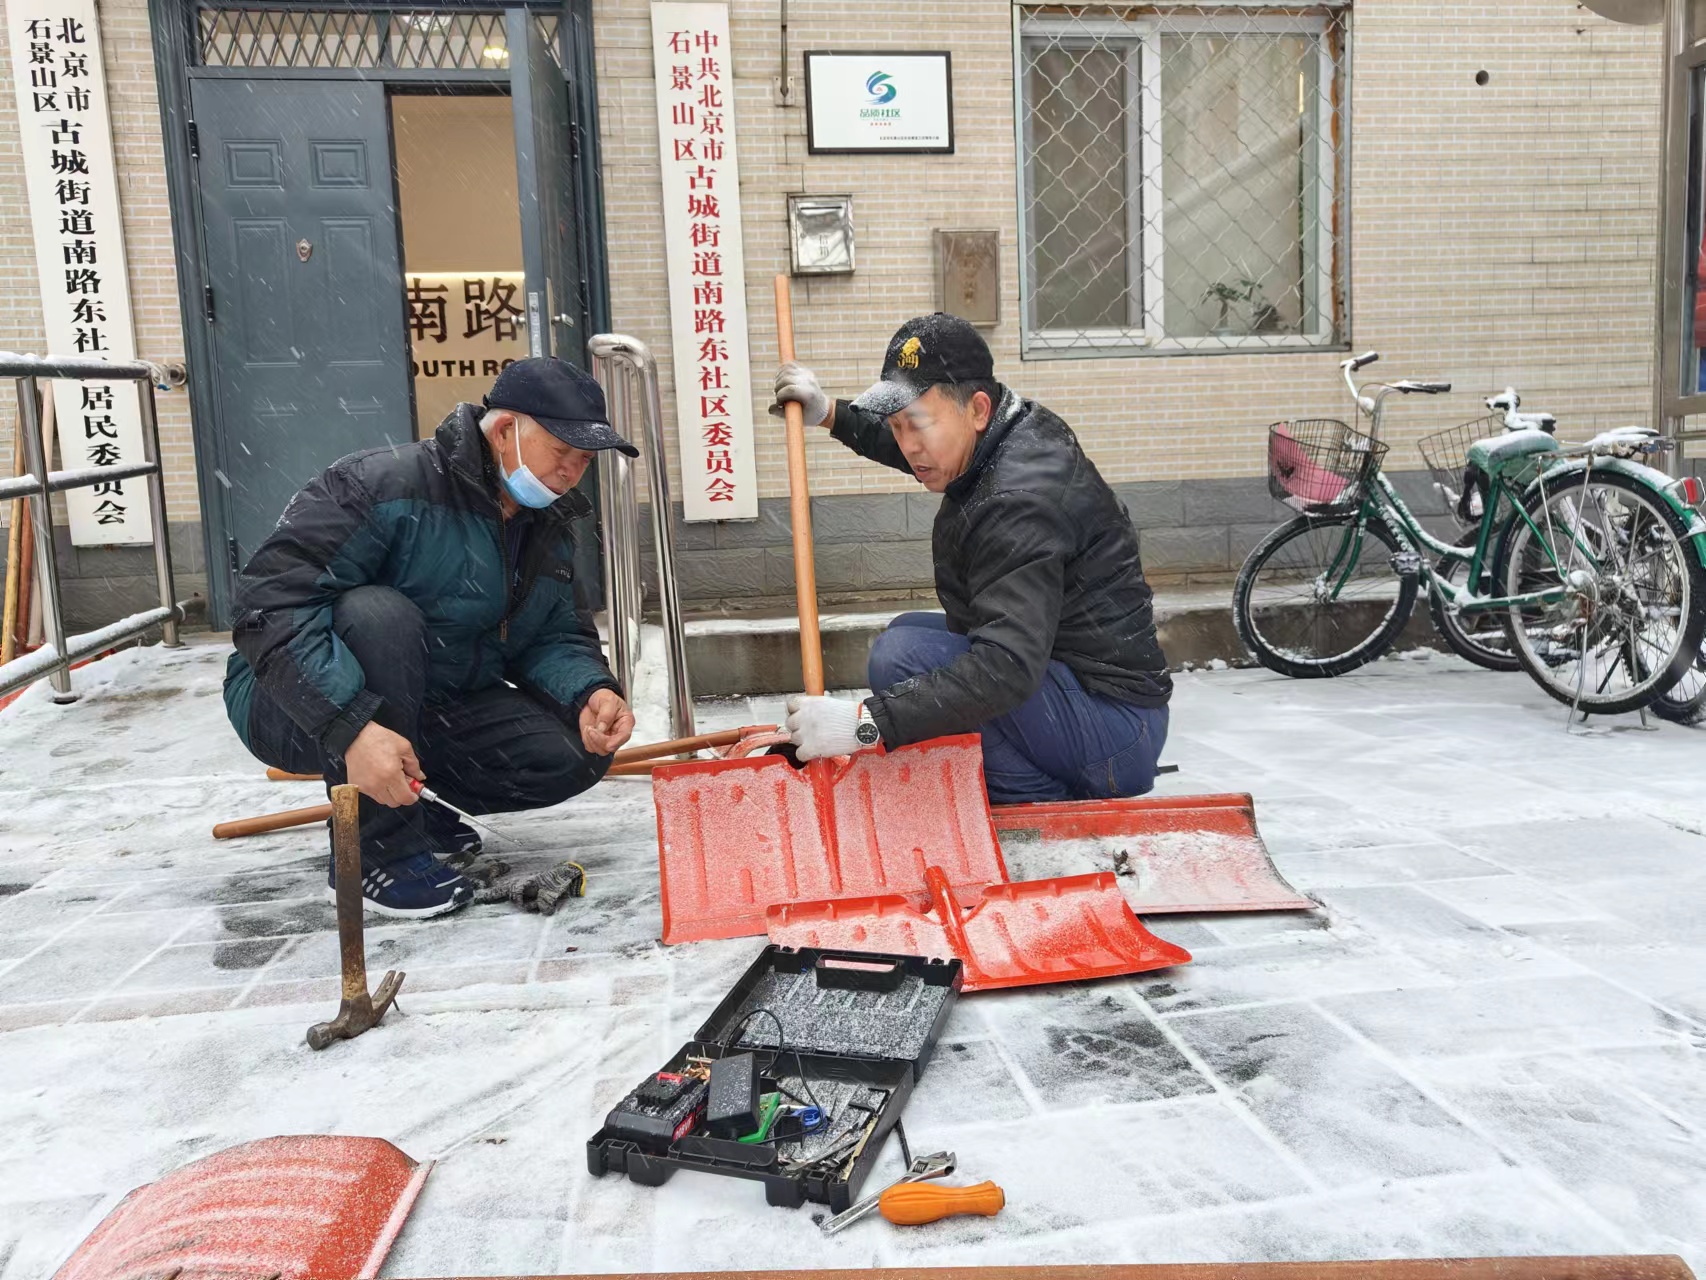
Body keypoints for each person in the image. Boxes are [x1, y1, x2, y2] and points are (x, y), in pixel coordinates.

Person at [223, 357, 638, 918]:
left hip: (433, 700)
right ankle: (377, 851)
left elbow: (552, 631)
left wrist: (589, 691)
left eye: (583, 460)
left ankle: (411, 807)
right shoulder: (378, 485)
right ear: (504, 428)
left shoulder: (546, 524)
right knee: (379, 615)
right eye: (560, 451)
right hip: (289, 699)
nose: (570, 471)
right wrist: (351, 729)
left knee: (570, 753)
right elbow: (266, 605)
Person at [772, 314, 1171, 805]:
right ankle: (1021, 774)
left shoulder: (1020, 501)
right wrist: (829, 412)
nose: (908, 444)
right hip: (1079, 687)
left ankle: (1039, 799)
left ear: (977, 409)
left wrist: (867, 723)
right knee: (905, 634)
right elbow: (919, 447)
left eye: (917, 423)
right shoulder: (1000, 433)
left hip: (1113, 731)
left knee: (901, 659)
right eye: (898, 425)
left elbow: (1006, 665)